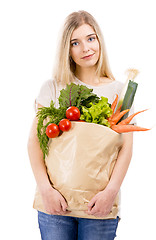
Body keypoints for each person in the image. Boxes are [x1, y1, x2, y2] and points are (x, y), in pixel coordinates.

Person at [28, 10, 135, 240]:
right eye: (75, 42)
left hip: (99, 206)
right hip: (55, 205)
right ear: (67, 50)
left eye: (90, 38)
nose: (85, 48)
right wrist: (46, 190)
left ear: (99, 41)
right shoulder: (53, 88)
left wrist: (111, 192)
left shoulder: (119, 92)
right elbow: (34, 143)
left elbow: (126, 148)